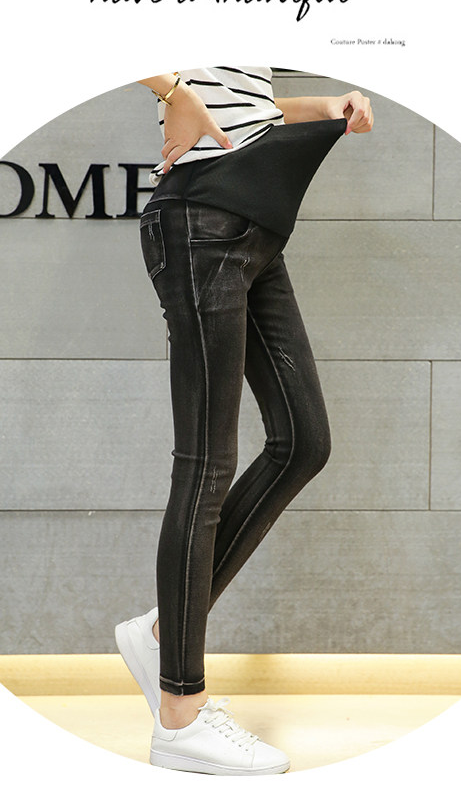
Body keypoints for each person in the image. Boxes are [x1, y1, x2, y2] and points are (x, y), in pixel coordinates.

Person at [115, 67, 373, 776]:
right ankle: (180, 715)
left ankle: (163, 633)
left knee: (303, 442)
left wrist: (317, 105)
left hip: (253, 227)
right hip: (203, 218)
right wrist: (171, 91)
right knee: (205, 463)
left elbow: (241, 103)